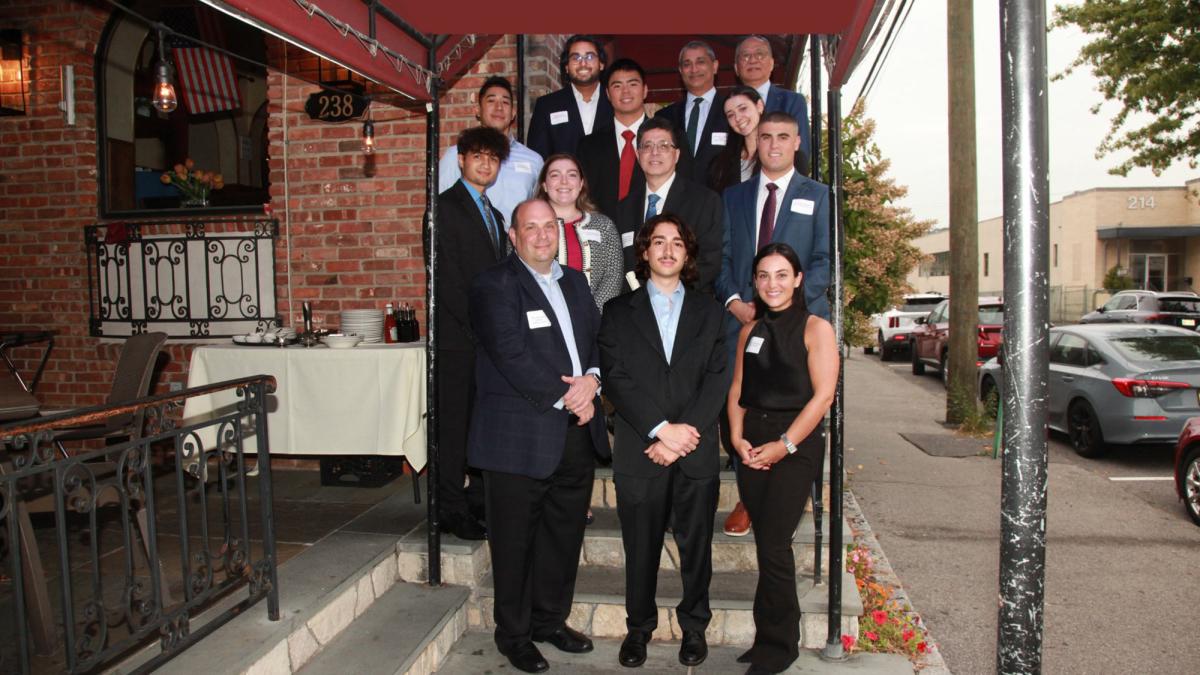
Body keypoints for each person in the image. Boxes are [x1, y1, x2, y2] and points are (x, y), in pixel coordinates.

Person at [467, 198, 611, 674]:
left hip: (575, 431)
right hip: (518, 436)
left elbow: (596, 339)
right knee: (513, 541)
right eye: (531, 227)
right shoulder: (494, 285)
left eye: (549, 226)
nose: (542, 235)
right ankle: (514, 634)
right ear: (513, 236)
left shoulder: (573, 280)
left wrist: (592, 378)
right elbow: (510, 353)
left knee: (563, 535)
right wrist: (570, 397)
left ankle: (550, 620)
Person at [598, 215, 727, 669]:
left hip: (694, 453)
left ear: (687, 254)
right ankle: (639, 629)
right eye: (658, 242)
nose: (668, 250)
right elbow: (616, 377)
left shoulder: (712, 312)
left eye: (677, 243)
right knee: (641, 547)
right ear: (645, 252)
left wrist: (680, 436)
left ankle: (695, 627)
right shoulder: (617, 312)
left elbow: (718, 377)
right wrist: (659, 430)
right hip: (640, 449)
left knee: (697, 548)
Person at [716, 111, 830, 537]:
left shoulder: (818, 195)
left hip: (796, 323)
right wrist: (735, 302)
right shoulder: (733, 197)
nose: (774, 145)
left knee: (790, 403)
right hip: (743, 319)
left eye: (783, 137)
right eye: (766, 137)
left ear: (797, 142)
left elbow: (823, 261)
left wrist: (787, 308)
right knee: (743, 405)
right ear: (755, 142)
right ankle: (750, 490)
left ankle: (779, 496)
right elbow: (723, 258)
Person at [725, 243, 837, 674]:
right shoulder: (748, 331)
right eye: (763, 276)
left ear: (797, 279)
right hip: (752, 441)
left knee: (774, 543)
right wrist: (736, 439)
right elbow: (737, 389)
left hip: (797, 443)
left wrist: (785, 445)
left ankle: (779, 647)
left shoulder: (815, 329)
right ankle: (768, 637)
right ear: (755, 282)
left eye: (781, 274)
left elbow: (823, 396)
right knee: (766, 545)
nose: (772, 284)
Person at [426, 126, 511, 541]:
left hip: (486, 343)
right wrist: (481, 327)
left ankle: (478, 502)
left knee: (482, 424)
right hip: (457, 340)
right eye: (477, 156)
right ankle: (449, 508)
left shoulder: (494, 214)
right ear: (460, 159)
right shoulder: (443, 207)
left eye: (493, 159)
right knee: (454, 426)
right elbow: (445, 280)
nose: (485, 164)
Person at [614, 117, 723, 295]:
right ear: (638, 154)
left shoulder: (705, 201)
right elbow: (621, 264)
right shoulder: (624, 207)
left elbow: (709, 261)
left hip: (689, 306)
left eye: (664, 146)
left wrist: (668, 295)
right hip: (634, 310)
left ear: (677, 155)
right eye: (647, 146)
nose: (654, 152)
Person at [439, 76, 543, 229]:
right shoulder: (457, 155)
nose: (499, 107)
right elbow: (439, 210)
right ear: (477, 110)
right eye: (491, 101)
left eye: (505, 102)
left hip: (518, 248)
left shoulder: (534, 161)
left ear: (513, 113)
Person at [535, 153, 624, 310]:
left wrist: (590, 313)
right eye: (555, 175)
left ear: (581, 183)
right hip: (542, 319)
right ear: (544, 184)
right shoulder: (529, 227)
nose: (564, 181)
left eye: (572, 175)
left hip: (594, 321)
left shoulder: (604, 226)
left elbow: (613, 276)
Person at [576, 58, 648, 221]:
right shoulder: (589, 146)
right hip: (602, 235)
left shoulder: (668, 139)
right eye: (617, 86)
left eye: (633, 84)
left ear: (645, 90)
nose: (625, 92)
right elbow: (582, 197)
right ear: (608, 93)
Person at [654, 40, 729, 184]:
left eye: (700, 62)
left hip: (720, 200)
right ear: (681, 71)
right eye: (687, 64)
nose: (694, 69)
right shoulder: (665, 117)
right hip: (676, 201)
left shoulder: (731, 112)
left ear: (715, 66)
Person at [527, 35, 613, 158]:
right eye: (576, 57)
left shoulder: (615, 102)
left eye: (589, 56)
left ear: (601, 64)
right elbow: (537, 159)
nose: (583, 63)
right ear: (566, 67)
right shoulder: (546, 105)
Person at [733, 35, 811, 162]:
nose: (752, 60)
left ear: (772, 64)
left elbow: (801, 153)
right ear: (736, 68)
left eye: (760, 54)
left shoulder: (792, 101)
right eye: (746, 56)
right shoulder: (727, 106)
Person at [708, 85, 764, 194]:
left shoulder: (780, 155)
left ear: (759, 106)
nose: (737, 118)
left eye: (743, 109)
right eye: (730, 115)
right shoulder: (720, 163)